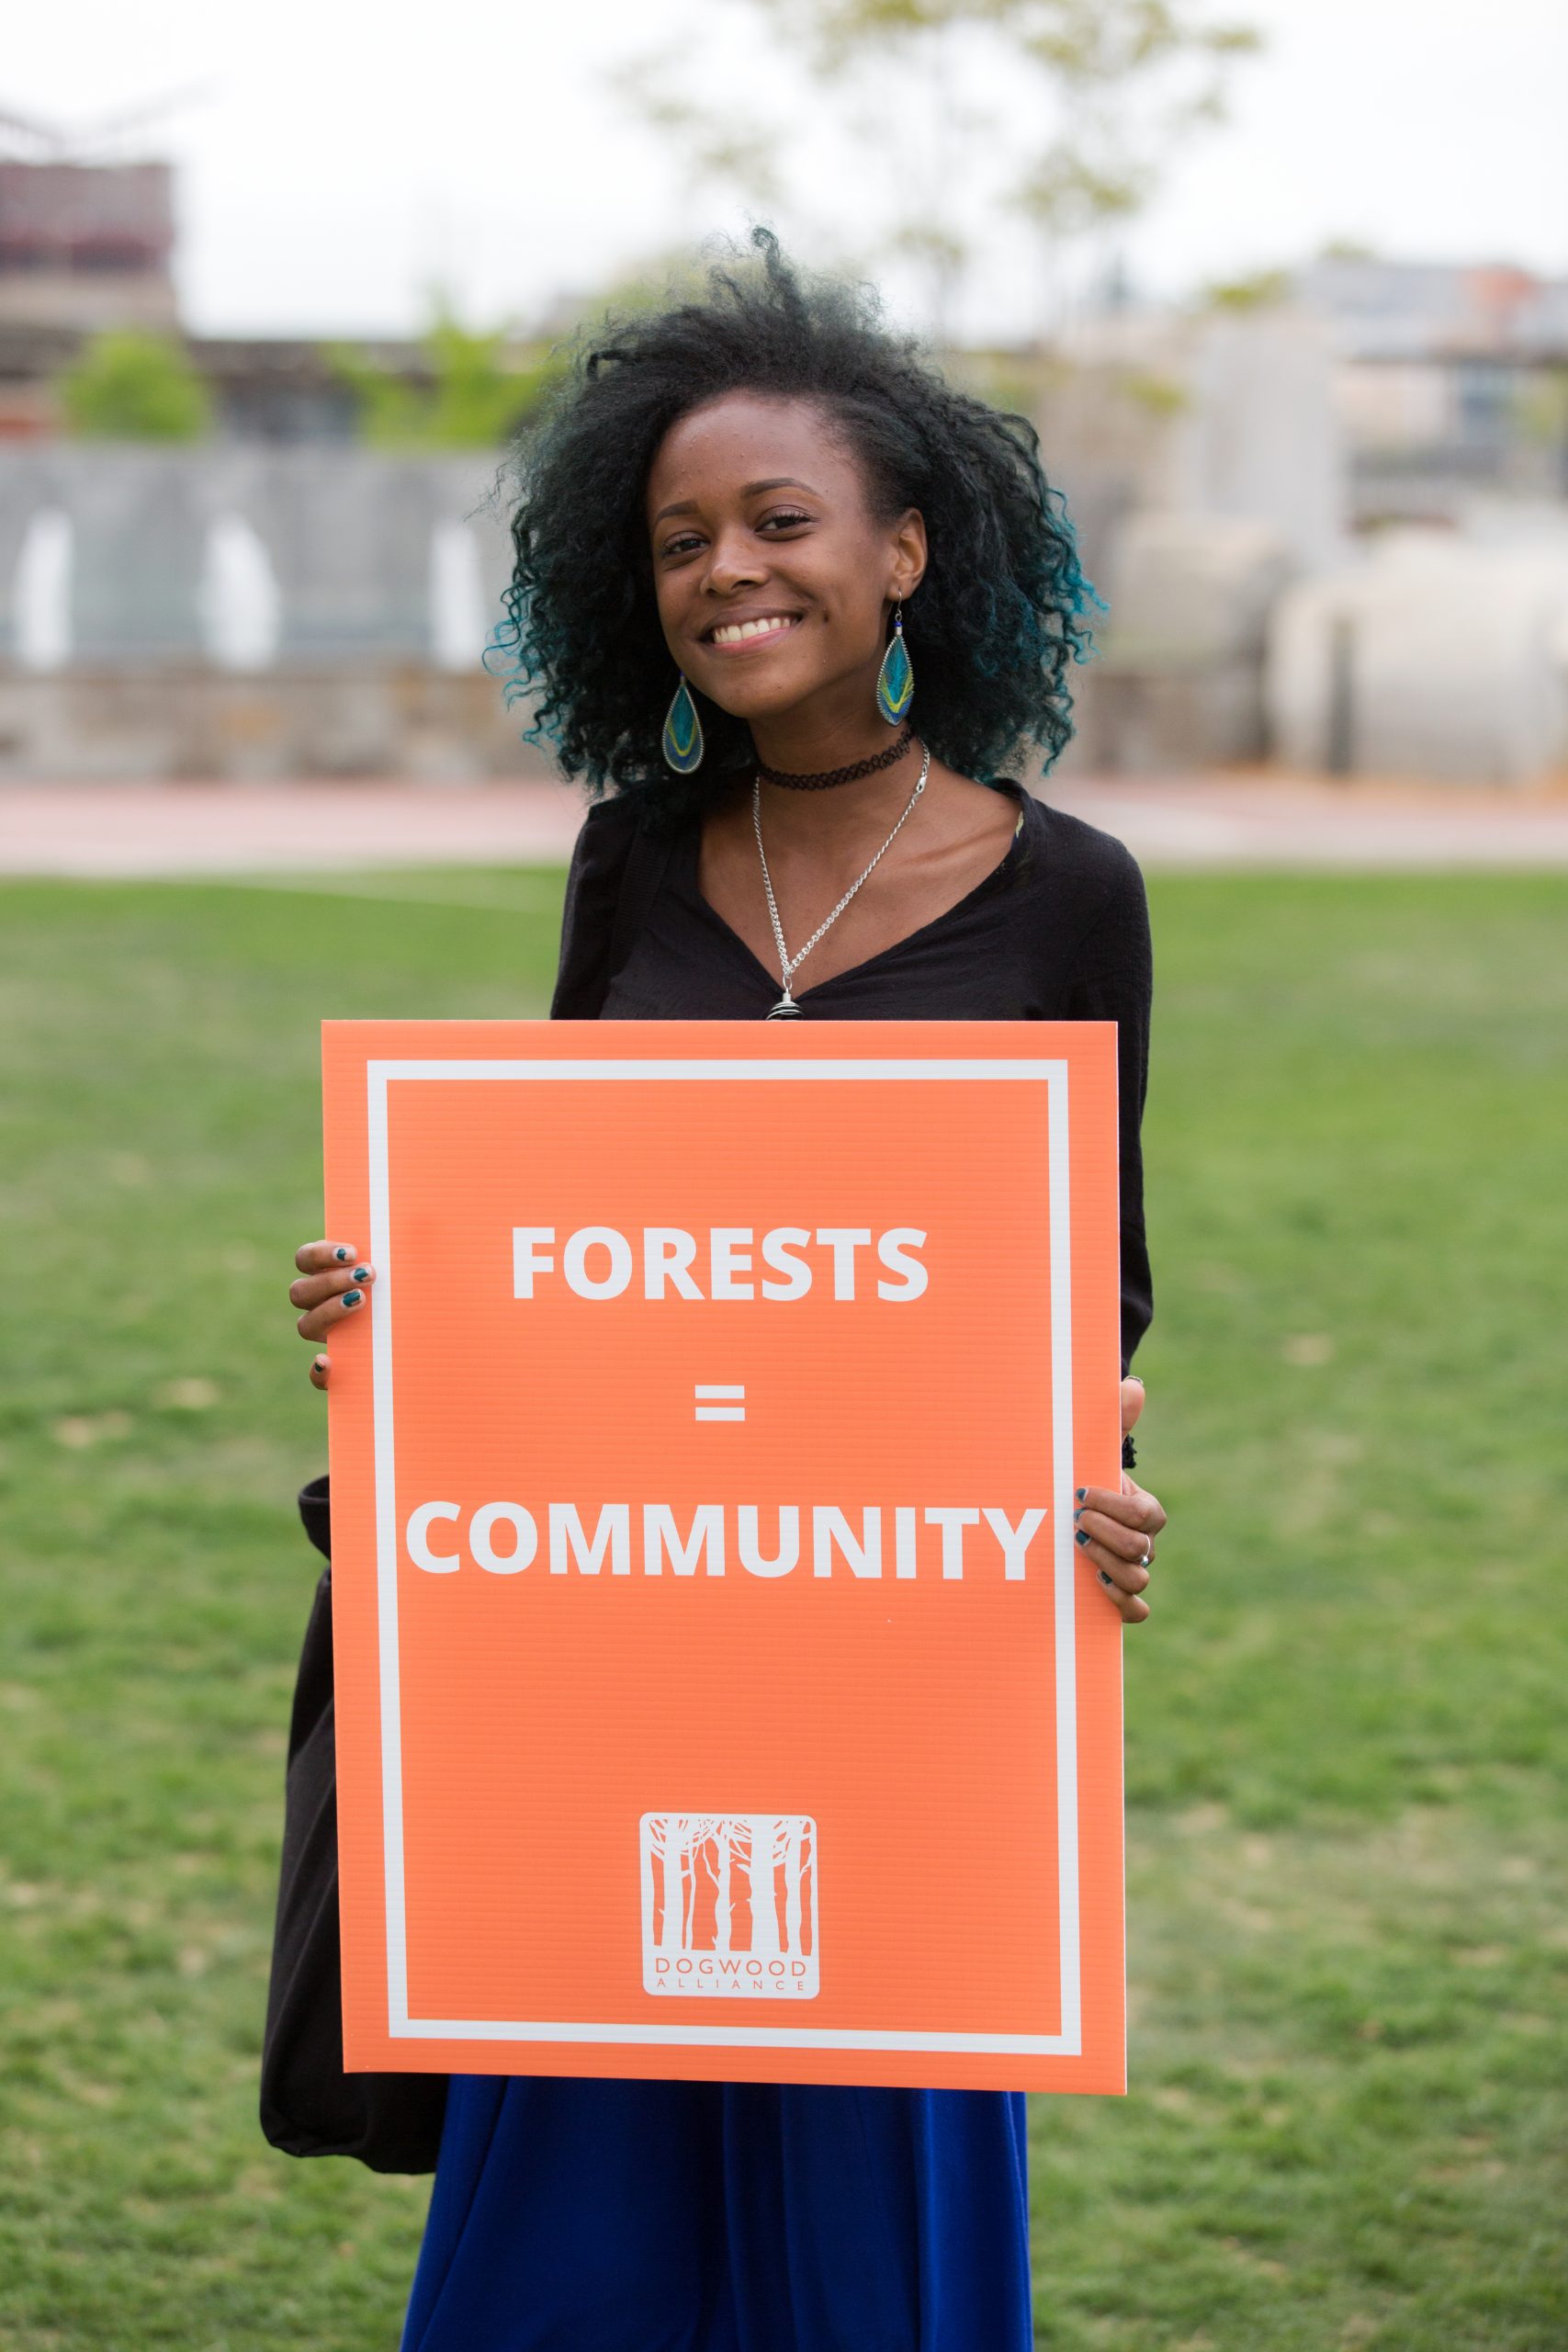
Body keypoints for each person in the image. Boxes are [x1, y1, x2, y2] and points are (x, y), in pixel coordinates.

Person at [279, 231, 1168, 2352]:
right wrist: (396, 1305)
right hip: (616, 1648)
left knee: (867, 2238)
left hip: (891, 1662)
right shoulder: (629, 856)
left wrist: (1093, 1474)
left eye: (778, 520)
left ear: (904, 552)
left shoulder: (1067, 892)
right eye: (681, 539)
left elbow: (1089, 1293)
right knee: (571, 2231)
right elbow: (559, 1220)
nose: (725, 571)